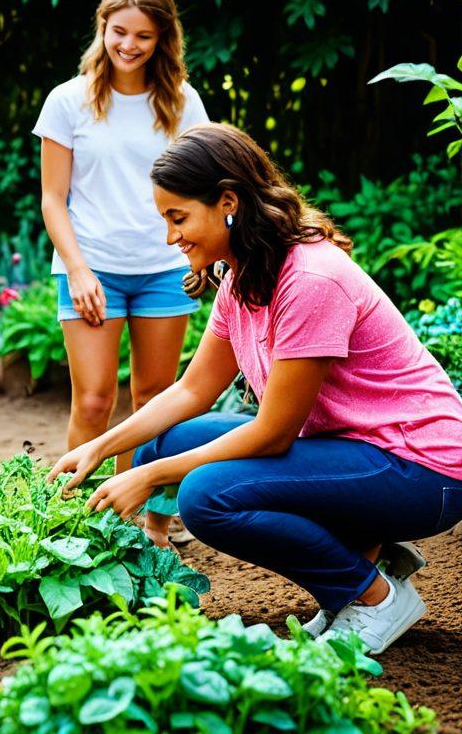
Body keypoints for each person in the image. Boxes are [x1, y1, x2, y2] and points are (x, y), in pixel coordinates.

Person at [52, 123, 462, 655]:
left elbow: (271, 434)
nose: (170, 237)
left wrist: (146, 478)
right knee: (163, 438)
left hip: (423, 469)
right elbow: (190, 392)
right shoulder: (244, 275)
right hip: (355, 447)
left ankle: (372, 596)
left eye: (178, 218)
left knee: (206, 496)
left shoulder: (311, 278)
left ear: (228, 202)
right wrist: (101, 447)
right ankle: (358, 564)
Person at [34, 0, 209, 487]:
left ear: (162, 39)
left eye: (143, 35)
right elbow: (52, 198)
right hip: (91, 269)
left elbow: (202, 189)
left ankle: (150, 523)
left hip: (164, 269)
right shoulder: (68, 101)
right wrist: (78, 270)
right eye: (119, 31)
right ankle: (79, 523)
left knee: (155, 399)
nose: (129, 45)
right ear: (102, 27)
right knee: (93, 400)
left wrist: (204, 256)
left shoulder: (183, 101)